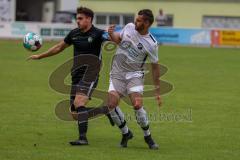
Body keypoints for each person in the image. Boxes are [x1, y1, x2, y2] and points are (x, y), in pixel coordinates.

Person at [28, 6, 111, 146]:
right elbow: (59, 47)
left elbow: (114, 39)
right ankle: (104, 110)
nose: (77, 21)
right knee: (74, 113)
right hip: (76, 75)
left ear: (89, 19)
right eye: (76, 18)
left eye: (80, 18)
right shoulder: (74, 34)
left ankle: (83, 138)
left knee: (79, 103)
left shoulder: (98, 33)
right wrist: (40, 56)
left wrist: (114, 35)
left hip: (91, 73)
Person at [107, 9, 162, 149]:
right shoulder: (129, 27)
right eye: (136, 19)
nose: (135, 22)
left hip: (134, 74)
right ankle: (126, 133)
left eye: (139, 20)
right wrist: (111, 34)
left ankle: (147, 136)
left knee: (137, 104)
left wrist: (157, 91)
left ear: (147, 23)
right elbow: (119, 41)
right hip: (117, 72)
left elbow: (155, 67)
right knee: (111, 104)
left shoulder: (152, 43)